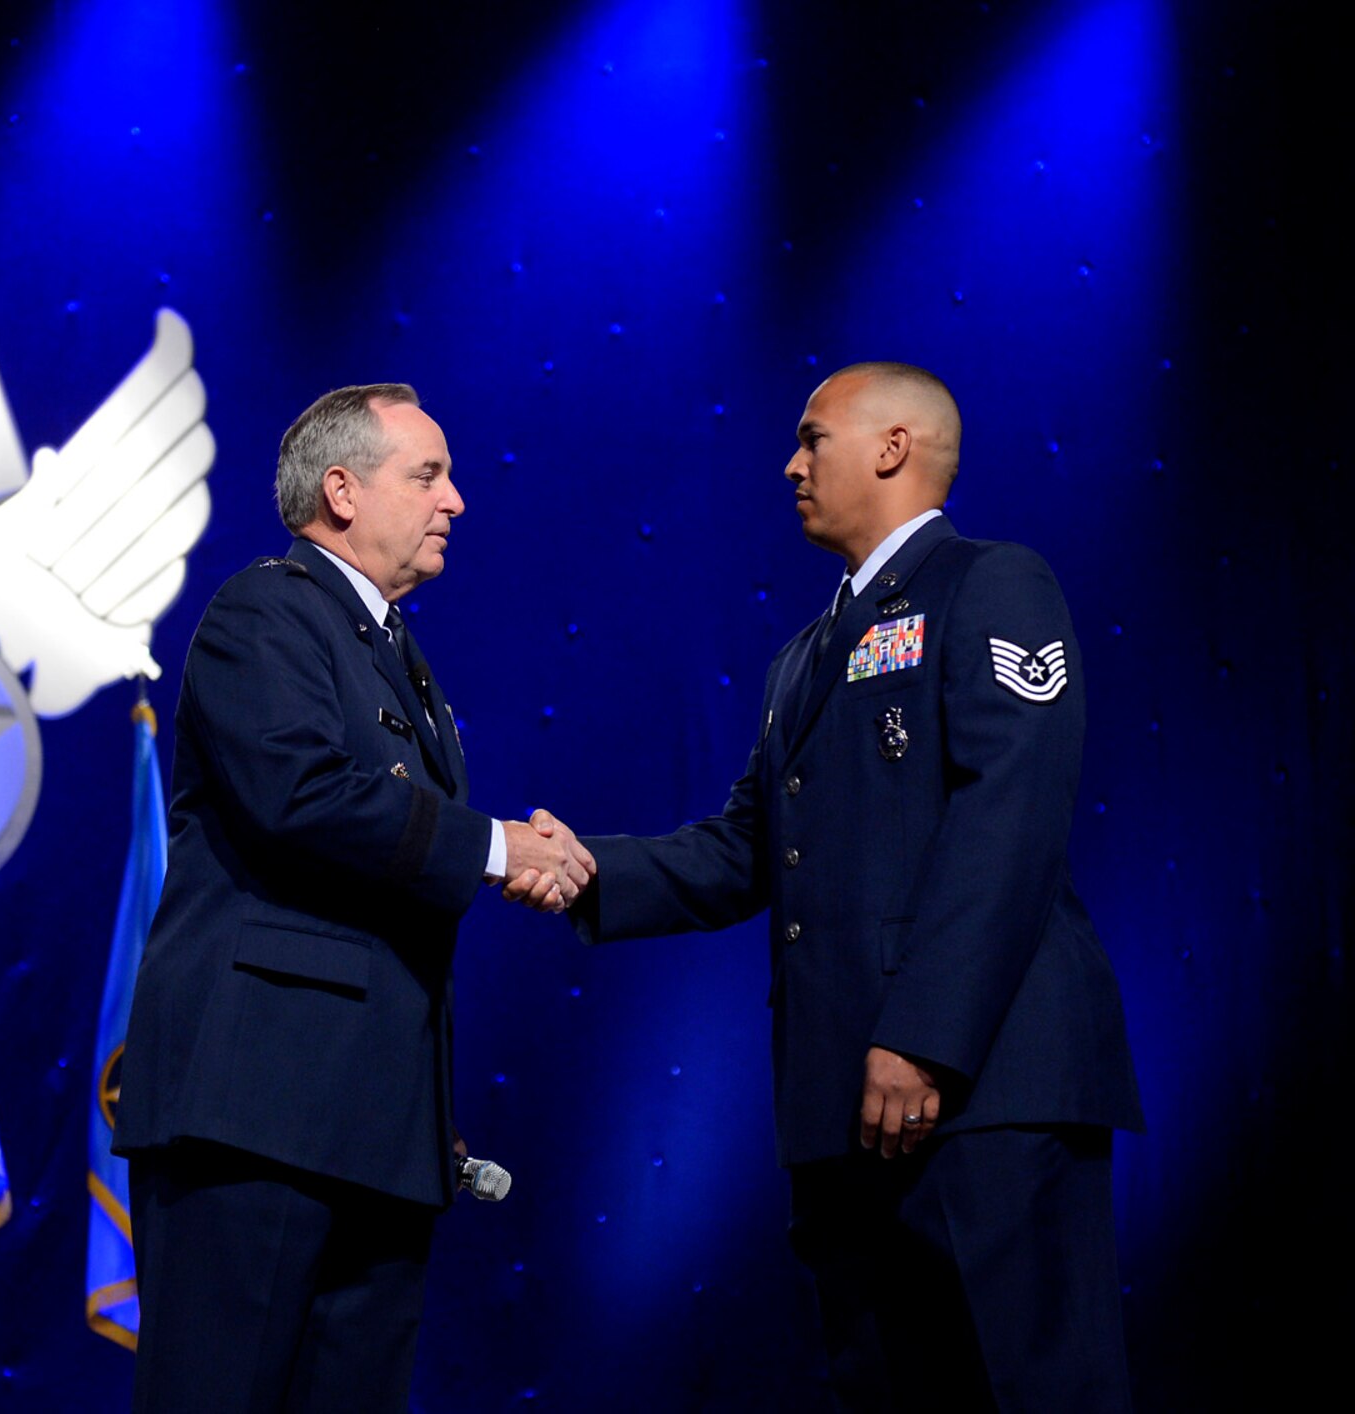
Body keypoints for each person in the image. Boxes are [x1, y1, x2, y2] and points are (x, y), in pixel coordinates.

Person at [525, 364, 1143, 1411]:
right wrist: (581, 868)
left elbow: (1009, 820)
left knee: (1026, 1388)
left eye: (811, 439)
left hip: (978, 1091)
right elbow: (745, 848)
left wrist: (922, 1037)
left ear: (891, 448)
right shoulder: (803, 656)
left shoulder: (991, 584)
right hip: (846, 1115)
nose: (790, 464)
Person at [113, 384, 593, 1413]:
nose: (454, 500)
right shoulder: (267, 609)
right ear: (340, 489)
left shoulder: (393, 655)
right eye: (426, 475)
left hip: (370, 1131)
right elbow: (305, 798)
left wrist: (414, 1101)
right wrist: (497, 846)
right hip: (256, 1120)